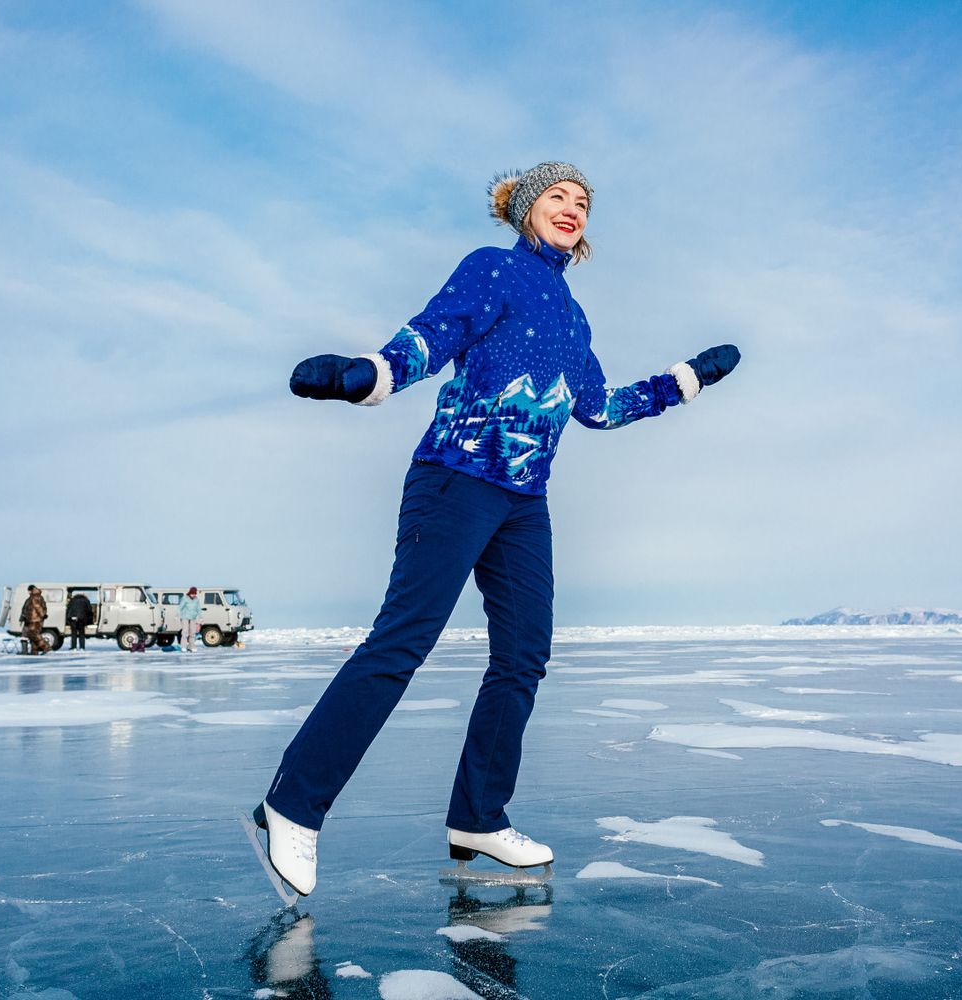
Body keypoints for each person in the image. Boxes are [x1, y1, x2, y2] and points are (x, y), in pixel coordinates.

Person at [250, 161, 741, 898]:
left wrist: (685, 380)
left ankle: (479, 815)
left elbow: (599, 406)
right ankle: (291, 804)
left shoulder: (574, 317)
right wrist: (368, 375)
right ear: (522, 207)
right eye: (557, 196)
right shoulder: (491, 271)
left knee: (523, 657)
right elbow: (433, 336)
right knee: (401, 641)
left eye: (582, 202)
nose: (572, 208)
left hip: (524, 502)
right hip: (455, 478)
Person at [20, 585, 48, 655]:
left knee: (32, 635)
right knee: (28, 636)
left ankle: (45, 647)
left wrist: (42, 615)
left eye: (29, 591)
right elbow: (25, 609)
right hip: (30, 620)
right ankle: (33, 652)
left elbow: (38, 608)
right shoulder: (33, 597)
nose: (28, 592)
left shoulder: (35, 597)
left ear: (31, 590)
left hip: (34, 620)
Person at [178, 587, 201, 651]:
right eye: (192, 594)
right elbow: (180, 607)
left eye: (194, 594)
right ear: (190, 593)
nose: (193, 595)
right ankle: (183, 646)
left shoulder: (196, 600)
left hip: (193, 617)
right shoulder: (185, 598)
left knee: (192, 632)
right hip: (185, 617)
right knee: (185, 632)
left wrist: (200, 616)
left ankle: (191, 646)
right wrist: (177, 615)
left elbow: (198, 608)